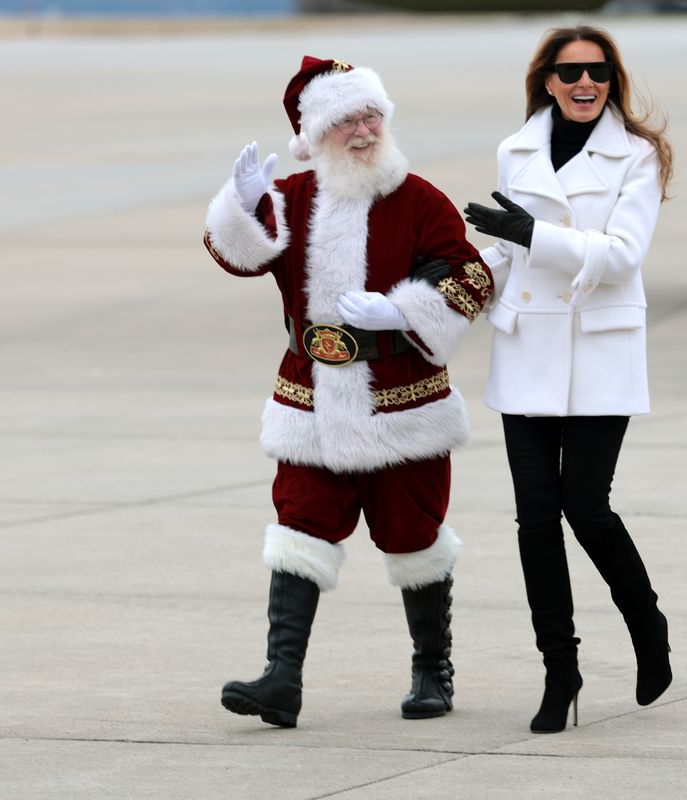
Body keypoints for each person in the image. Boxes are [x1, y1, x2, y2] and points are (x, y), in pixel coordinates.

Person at [204, 56, 494, 728]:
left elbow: (472, 278)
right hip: (310, 399)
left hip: (402, 401)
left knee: (414, 536)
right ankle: (282, 679)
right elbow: (234, 255)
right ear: (316, 135)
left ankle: (432, 670)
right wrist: (242, 204)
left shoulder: (419, 198)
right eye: (346, 121)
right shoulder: (297, 199)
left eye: (371, 116)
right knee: (299, 526)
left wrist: (404, 311)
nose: (364, 131)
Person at [463, 25, 674, 734]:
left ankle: (648, 628)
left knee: (586, 507)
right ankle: (562, 671)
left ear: (612, 80)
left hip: (598, 354)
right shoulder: (516, 148)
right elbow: (513, 248)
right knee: (534, 520)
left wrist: (529, 237)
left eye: (599, 72)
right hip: (527, 353)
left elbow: (620, 255)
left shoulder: (637, 156)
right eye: (571, 72)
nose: (586, 83)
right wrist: (471, 270)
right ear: (547, 81)